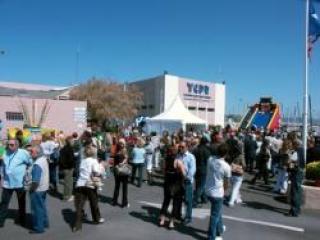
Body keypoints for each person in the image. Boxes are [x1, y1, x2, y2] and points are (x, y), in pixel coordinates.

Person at [0, 139, 32, 227]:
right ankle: (1, 221)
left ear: (17, 145)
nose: (9, 146)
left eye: (12, 145)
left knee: (21, 202)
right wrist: (1, 178)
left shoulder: (23, 153)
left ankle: (22, 220)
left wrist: (27, 174)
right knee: (4, 202)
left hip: (20, 183)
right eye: (8, 144)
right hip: (7, 183)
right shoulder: (5, 153)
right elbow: (2, 166)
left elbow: (30, 163)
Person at [73, 146, 104, 232]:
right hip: (90, 184)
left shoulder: (82, 161)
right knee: (94, 202)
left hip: (80, 184)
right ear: (93, 153)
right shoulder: (94, 161)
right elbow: (97, 171)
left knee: (79, 206)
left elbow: (79, 171)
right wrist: (101, 166)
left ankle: (77, 226)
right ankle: (96, 219)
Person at [205, 143, 231, 240]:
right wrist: (224, 191)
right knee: (214, 216)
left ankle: (219, 229)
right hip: (217, 193)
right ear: (226, 153)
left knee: (217, 212)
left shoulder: (210, 159)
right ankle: (211, 236)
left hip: (208, 190)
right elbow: (227, 183)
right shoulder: (226, 166)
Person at [159, 146, 185, 229]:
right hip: (177, 184)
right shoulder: (178, 162)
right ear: (176, 153)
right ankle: (171, 222)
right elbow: (184, 174)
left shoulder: (164, 161)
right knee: (175, 203)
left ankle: (162, 220)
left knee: (166, 201)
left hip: (167, 184)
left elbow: (163, 172)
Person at [29, 145, 49, 234]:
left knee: (37, 209)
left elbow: (35, 181)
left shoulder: (37, 164)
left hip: (38, 189)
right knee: (42, 207)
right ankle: (45, 223)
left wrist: (31, 189)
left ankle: (38, 227)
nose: (30, 153)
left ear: (37, 153)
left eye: (32, 152)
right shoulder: (43, 159)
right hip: (44, 187)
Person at [177, 142, 196, 225]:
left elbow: (192, 169)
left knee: (188, 200)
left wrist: (187, 178)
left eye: (182, 147)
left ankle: (188, 217)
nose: (180, 148)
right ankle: (178, 214)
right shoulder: (178, 156)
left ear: (187, 147)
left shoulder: (191, 157)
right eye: (180, 147)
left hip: (187, 181)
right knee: (178, 199)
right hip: (178, 180)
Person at [287, 140, 305, 217]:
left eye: (293, 144)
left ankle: (294, 211)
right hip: (300, 172)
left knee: (295, 192)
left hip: (296, 173)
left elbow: (291, 162)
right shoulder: (302, 150)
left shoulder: (296, 152)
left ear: (296, 145)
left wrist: (289, 160)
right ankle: (297, 209)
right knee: (298, 191)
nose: (292, 146)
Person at [192, 137, 211, 208]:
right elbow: (208, 161)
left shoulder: (196, 149)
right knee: (201, 186)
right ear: (206, 143)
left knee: (199, 185)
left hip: (196, 168)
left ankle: (204, 198)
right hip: (203, 169)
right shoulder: (206, 150)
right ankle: (194, 201)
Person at [112, 138, 130, 208]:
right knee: (117, 186)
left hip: (123, 170)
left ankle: (124, 202)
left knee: (124, 187)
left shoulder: (124, 150)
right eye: (120, 143)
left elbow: (126, 158)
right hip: (116, 170)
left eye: (122, 143)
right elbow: (114, 159)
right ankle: (114, 201)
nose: (121, 144)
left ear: (124, 144)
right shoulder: (117, 150)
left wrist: (122, 163)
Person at [59, 136, 76, 201]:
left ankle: (69, 195)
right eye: (73, 141)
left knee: (69, 182)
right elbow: (71, 159)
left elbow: (61, 159)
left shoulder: (64, 148)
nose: (73, 142)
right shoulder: (70, 149)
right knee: (68, 183)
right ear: (70, 141)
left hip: (65, 167)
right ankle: (66, 197)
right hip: (68, 168)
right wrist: (71, 165)